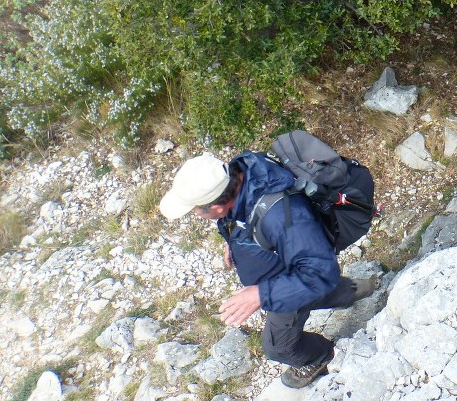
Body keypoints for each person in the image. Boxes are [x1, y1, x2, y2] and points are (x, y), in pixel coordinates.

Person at [159, 151, 377, 389]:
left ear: (216, 206)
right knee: (321, 288)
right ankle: (359, 289)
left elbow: (318, 272)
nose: (195, 215)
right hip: (287, 262)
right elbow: (241, 214)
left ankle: (320, 356)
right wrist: (233, 241)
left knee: (279, 347)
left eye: (196, 211)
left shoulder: (281, 217)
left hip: (285, 280)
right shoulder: (243, 171)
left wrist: (261, 294)